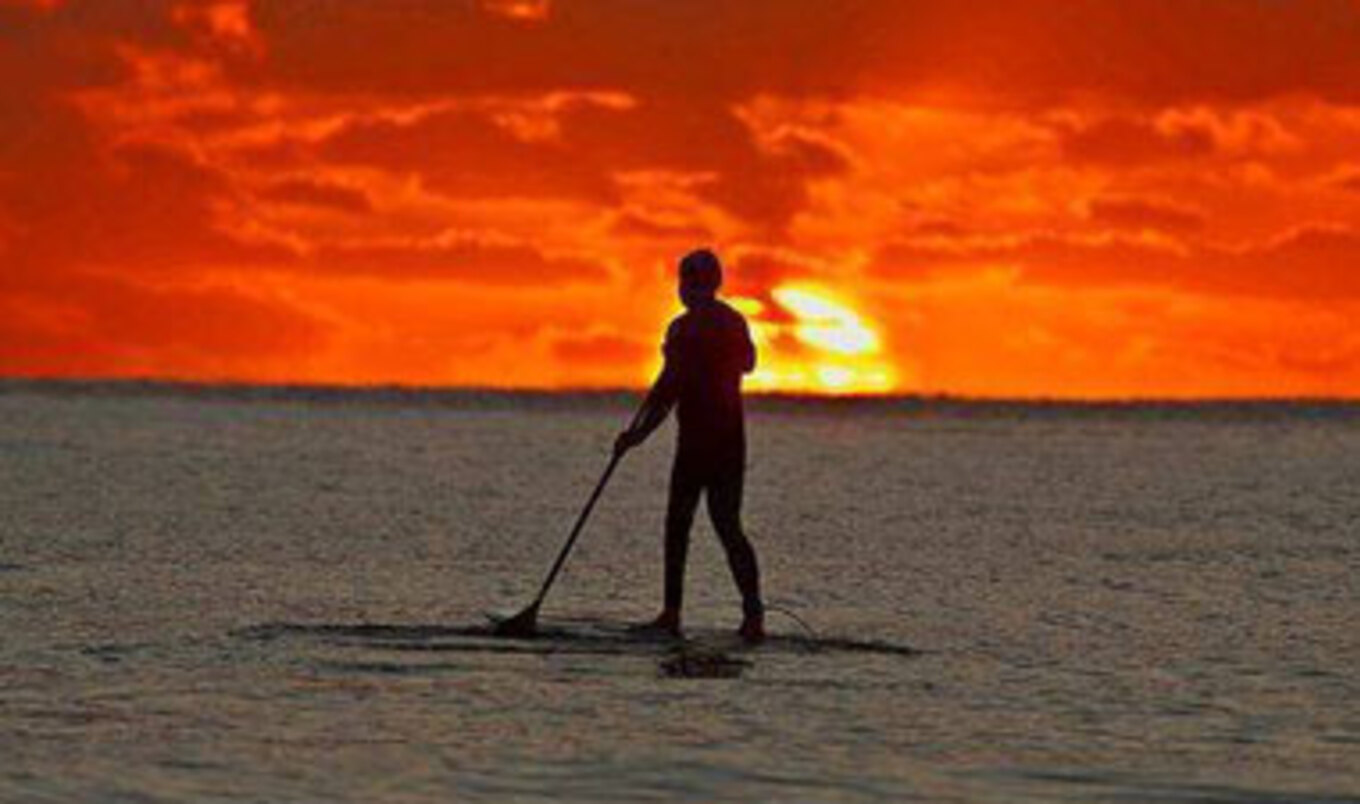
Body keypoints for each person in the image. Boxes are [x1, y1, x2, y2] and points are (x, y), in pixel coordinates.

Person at [614, 249, 765, 643]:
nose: (684, 288)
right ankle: (746, 615)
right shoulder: (726, 322)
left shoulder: (687, 329)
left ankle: (682, 614)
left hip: (705, 442)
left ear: (701, 284)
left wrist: (637, 435)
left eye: (688, 280)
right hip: (724, 441)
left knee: (689, 524)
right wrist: (636, 434)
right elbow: (743, 365)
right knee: (717, 524)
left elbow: (670, 391)